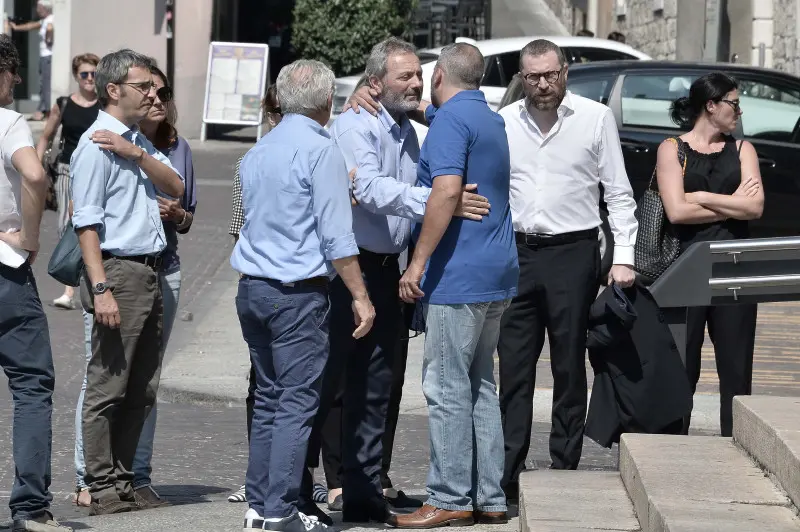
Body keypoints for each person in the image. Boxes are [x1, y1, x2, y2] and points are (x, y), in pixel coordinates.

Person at [315, 37, 491, 523]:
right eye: (404, 77)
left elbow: (447, 121)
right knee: (333, 383)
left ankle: (366, 491)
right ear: (375, 83)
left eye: (419, 75)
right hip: (348, 270)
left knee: (381, 385)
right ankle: (296, 489)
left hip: (388, 268)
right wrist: (440, 203)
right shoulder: (355, 127)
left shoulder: (405, 128)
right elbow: (367, 188)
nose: (416, 83)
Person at [232, 59, 375, 532]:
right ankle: (279, 512)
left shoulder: (259, 150)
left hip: (253, 288)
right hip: (296, 292)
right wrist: (361, 295)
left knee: (271, 398)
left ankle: (260, 505)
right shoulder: (321, 150)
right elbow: (337, 237)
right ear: (326, 101)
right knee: (295, 401)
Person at [496, 39, 637, 495]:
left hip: (573, 254)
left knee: (568, 365)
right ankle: (508, 472)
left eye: (550, 75)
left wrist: (623, 259)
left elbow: (618, 194)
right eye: (533, 76)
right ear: (522, 76)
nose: (542, 85)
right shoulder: (504, 123)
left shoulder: (595, 119)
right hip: (516, 254)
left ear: (565, 72)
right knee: (514, 369)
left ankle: (563, 465)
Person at [390, 42, 517, 529]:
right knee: (480, 384)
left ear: (439, 74)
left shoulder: (449, 123)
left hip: (458, 274)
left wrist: (416, 265)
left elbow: (445, 191)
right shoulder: (490, 117)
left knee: (445, 387)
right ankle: (488, 495)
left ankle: (447, 497)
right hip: (498, 270)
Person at [72, 62, 196, 510]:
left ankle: (124, 480)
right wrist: (100, 288)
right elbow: (85, 222)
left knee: (141, 386)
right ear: (112, 89)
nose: (152, 95)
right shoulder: (94, 144)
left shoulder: (135, 140)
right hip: (118, 272)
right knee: (107, 385)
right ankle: (100, 484)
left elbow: (177, 186)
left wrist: (136, 153)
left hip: (150, 270)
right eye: (142, 87)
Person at [657, 72, 763, 436]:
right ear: (711, 105)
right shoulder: (672, 149)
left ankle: (739, 444)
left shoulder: (742, 150)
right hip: (685, 267)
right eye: (734, 103)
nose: (739, 111)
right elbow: (676, 212)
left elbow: (756, 208)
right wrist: (734, 203)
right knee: (681, 365)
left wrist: (702, 197)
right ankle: (671, 446)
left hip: (736, 269)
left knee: (735, 369)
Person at [0, 33, 71, 532]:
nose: (16, 82)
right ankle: (29, 507)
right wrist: (29, 235)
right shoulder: (8, 123)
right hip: (4, 270)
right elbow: (36, 175)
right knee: (30, 383)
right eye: (11, 73)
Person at [226, 84, 282, 505]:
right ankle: (275, 485)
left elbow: (237, 230)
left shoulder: (251, 158)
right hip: (284, 285)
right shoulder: (314, 153)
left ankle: (268, 480)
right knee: (283, 388)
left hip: (256, 284)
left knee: (268, 388)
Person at [36, 53, 101, 311]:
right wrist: (37, 168)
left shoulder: (105, 105)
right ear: (76, 76)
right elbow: (46, 137)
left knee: (92, 222)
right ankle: (69, 289)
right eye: (84, 74)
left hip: (95, 172)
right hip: (66, 171)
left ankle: (92, 279)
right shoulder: (63, 104)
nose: (89, 79)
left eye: (93, 74)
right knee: (67, 224)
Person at [9, 1, 53, 121]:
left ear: (45, 8)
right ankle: (43, 110)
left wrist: (49, 37)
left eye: (38, 7)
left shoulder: (50, 20)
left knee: (46, 85)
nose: (37, 10)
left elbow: (50, 28)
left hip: (48, 57)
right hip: (44, 57)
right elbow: (31, 26)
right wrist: (16, 27)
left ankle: (46, 111)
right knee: (42, 84)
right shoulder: (45, 20)